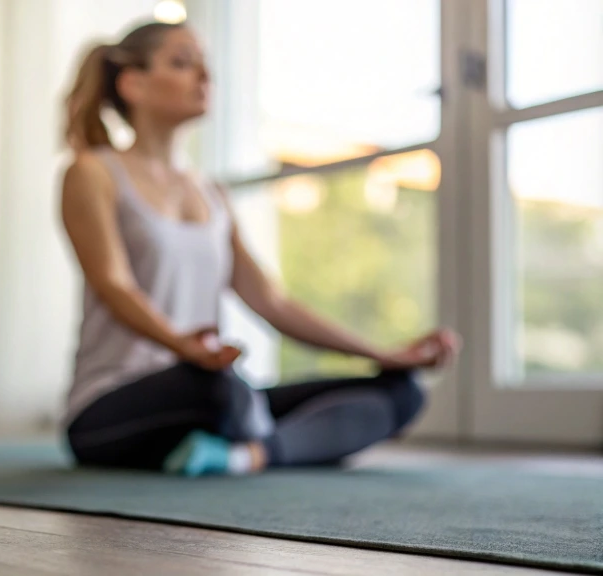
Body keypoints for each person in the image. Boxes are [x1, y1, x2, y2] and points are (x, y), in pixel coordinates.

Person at [58, 20, 461, 477]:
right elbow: (113, 283)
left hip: (213, 385)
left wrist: (381, 354)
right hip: (112, 407)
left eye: (206, 66)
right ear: (133, 83)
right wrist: (182, 347)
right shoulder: (92, 173)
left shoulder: (211, 193)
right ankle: (265, 438)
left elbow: (273, 302)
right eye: (182, 63)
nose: (205, 77)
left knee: (402, 391)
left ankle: (246, 455)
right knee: (218, 389)